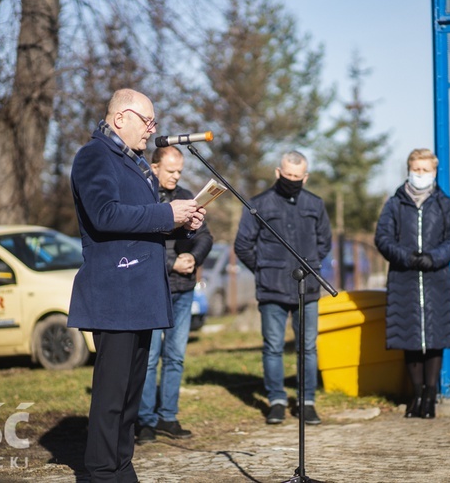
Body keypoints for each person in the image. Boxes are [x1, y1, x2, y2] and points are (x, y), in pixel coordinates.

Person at [68, 88, 205, 482]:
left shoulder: (137, 163)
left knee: (130, 397)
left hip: (140, 293)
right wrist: (166, 213)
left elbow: (139, 224)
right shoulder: (93, 156)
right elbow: (106, 215)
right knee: (111, 397)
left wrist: (180, 221)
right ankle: (100, 472)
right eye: (146, 121)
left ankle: (121, 466)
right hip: (115, 292)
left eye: (154, 122)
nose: (152, 129)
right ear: (119, 119)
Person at [234, 150, 332, 425]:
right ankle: (276, 400)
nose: (291, 180)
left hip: (308, 289)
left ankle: (307, 401)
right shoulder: (258, 204)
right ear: (278, 172)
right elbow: (243, 245)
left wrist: (310, 265)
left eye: (297, 177)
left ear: (306, 177)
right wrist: (265, 269)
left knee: (308, 348)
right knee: (273, 346)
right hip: (272, 289)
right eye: (287, 175)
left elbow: (325, 242)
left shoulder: (315, 204)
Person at [374, 149, 450, 419]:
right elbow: (383, 238)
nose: (420, 175)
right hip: (404, 280)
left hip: (436, 280)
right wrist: (407, 257)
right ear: (409, 169)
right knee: (409, 338)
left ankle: (430, 397)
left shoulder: (444, 204)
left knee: (435, 339)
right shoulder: (394, 204)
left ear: (434, 172)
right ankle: (416, 394)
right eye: (417, 169)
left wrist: (433, 258)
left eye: (426, 170)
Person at [136, 146, 213, 443]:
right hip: (154, 289)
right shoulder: (144, 196)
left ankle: (168, 416)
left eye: (179, 171)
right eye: (170, 171)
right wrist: (172, 262)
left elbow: (205, 235)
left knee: (176, 356)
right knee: (150, 356)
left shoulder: (187, 196)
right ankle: (144, 420)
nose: (176, 176)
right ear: (154, 168)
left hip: (183, 289)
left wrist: (195, 258)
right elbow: (142, 242)